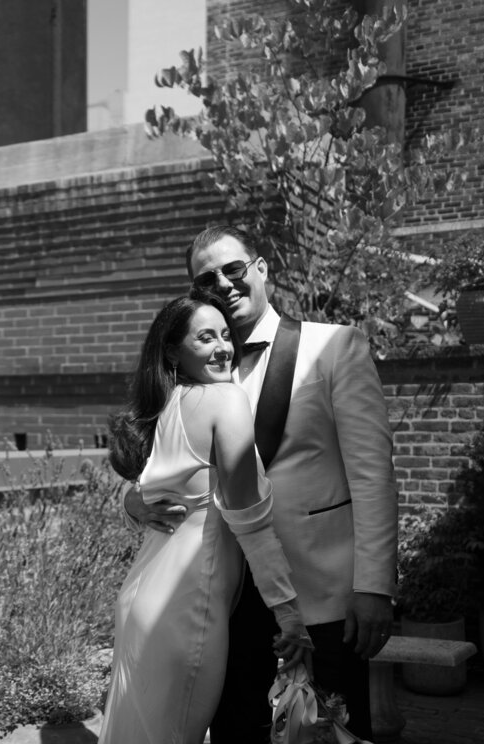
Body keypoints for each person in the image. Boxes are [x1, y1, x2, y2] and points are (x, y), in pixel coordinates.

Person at [122, 225, 398, 742]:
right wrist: (132, 498)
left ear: (262, 269)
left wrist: (375, 586)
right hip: (223, 601)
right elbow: (156, 457)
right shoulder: (193, 372)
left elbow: (373, 473)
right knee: (235, 733)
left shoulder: (335, 346)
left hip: (321, 596)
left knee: (327, 732)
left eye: (234, 269)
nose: (223, 285)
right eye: (207, 280)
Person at [98, 291, 311, 744]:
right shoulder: (225, 400)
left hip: (142, 599)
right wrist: (288, 612)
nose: (222, 347)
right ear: (174, 350)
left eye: (224, 336)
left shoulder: (166, 403)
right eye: (205, 337)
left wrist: (129, 502)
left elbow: (136, 486)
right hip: (186, 610)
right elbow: (248, 519)